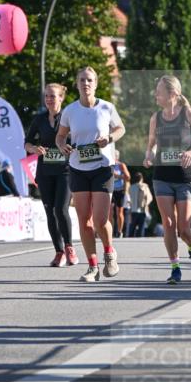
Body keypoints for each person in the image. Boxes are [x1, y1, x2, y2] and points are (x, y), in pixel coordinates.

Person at [56, 66, 125, 282]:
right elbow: (60, 136)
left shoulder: (106, 107)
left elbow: (120, 128)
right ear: (76, 84)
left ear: (95, 84)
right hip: (78, 168)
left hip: (102, 168)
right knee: (84, 220)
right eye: (82, 80)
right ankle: (93, 267)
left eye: (89, 80)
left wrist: (109, 139)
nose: (86, 84)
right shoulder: (70, 111)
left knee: (100, 219)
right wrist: (62, 146)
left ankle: (109, 253)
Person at [143, 75, 191, 284]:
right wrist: (149, 154)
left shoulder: (187, 113)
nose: (156, 94)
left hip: (185, 176)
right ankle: (175, 267)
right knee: (168, 223)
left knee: (184, 228)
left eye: (159, 91)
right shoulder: (155, 117)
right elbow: (152, 144)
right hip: (162, 176)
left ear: (172, 94)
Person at [25, 82, 77, 267]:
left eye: (53, 96)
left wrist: (71, 148)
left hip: (65, 171)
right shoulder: (39, 119)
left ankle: (70, 247)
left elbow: (79, 140)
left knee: (60, 209)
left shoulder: (70, 117)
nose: (49, 99)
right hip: (45, 171)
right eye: (46, 96)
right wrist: (34, 148)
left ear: (61, 98)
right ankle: (59, 251)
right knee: (49, 211)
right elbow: (27, 143)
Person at [111, 151, 131, 238]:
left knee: (119, 212)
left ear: (117, 157)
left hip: (120, 190)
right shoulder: (107, 165)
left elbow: (128, 177)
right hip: (110, 190)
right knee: (110, 212)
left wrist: (117, 176)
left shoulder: (121, 165)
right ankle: (110, 231)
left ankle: (119, 231)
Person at [129, 172, 153, 237]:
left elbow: (129, 199)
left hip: (133, 210)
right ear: (141, 178)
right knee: (141, 227)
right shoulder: (145, 186)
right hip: (142, 210)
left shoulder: (131, 187)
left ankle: (129, 239)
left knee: (132, 227)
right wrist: (146, 204)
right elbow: (150, 198)